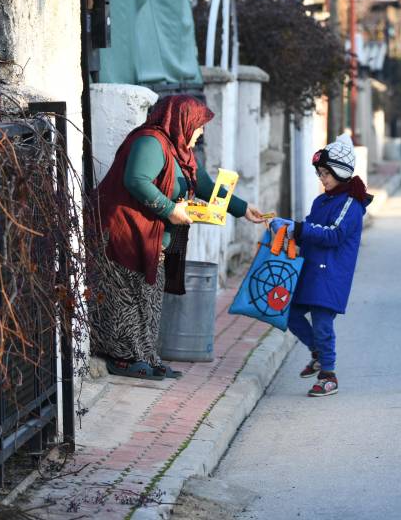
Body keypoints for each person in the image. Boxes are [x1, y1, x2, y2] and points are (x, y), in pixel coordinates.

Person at [90, 95, 266, 380]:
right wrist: (170, 209)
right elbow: (136, 180)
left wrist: (243, 209)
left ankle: (145, 355)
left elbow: (205, 186)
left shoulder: (180, 151)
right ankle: (122, 358)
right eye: (199, 126)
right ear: (184, 121)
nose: (202, 132)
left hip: (151, 238)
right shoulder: (150, 142)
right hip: (123, 232)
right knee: (125, 296)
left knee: (149, 297)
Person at [284, 134, 373, 397]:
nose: (322, 179)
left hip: (331, 274)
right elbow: (310, 226)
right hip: (311, 269)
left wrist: (300, 228)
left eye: (326, 173)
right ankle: (318, 353)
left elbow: (333, 233)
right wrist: (292, 231)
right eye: (320, 173)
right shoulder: (321, 201)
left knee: (323, 323)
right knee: (290, 312)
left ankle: (328, 374)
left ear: (341, 173)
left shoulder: (350, 204)